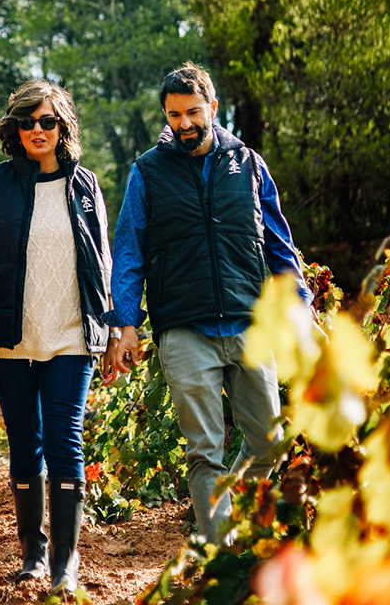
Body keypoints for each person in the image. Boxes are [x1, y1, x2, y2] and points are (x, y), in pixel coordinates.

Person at [102, 62, 313, 544]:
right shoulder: (148, 172)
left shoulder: (249, 164)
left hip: (248, 322)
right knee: (205, 452)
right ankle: (220, 557)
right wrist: (127, 322)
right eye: (174, 115)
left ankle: (227, 509)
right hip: (184, 327)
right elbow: (129, 250)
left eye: (193, 112)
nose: (184, 124)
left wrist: (301, 307)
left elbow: (280, 245)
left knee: (269, 443)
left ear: (213, 108)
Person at [0, 81, 113, 595]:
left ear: (63, 125)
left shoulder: (86, 185)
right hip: (6, 339)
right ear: (15, 129)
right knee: (25, 441)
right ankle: (33, 555)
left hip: (70, 334)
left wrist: (110, 331)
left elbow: (104, 267)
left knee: (67, 439)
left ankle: (66, 564)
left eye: (48, 121)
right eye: (28, 122)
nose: (38, 131)